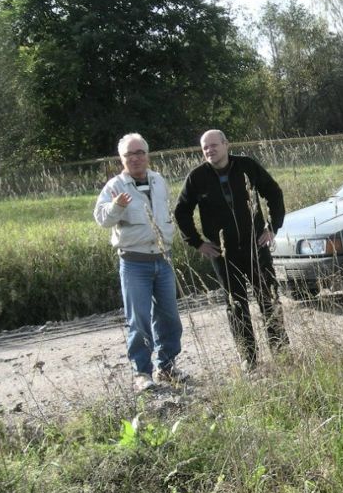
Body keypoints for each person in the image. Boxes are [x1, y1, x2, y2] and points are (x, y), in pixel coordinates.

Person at [174, 128, 289, 371]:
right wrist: (197, 242)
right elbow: (181, 211)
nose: (210, 150)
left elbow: (274, 193)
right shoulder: (197, 177)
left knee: (268, 297)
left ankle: (281, 352)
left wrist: (272, 227)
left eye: (214, 145)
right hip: (223, 253)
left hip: (255, 246)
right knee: (236, 304)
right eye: (205, 147)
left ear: (226, 145)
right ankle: (249, 359)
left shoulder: (246, 166)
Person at [94, 132, 184, 391]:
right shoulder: (114, 187)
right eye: (129, 155)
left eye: (139, 153)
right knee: (139, 320)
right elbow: (102, 220)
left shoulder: (158, 181)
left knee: (169, 318)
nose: (135, 158)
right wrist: (116, 206)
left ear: (147, 155)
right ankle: (142, 374)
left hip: (163, 259)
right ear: (121, 159)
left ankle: (166, 367)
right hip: (134, 263)